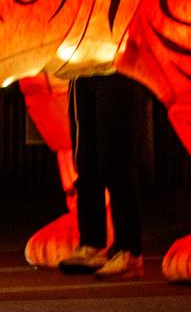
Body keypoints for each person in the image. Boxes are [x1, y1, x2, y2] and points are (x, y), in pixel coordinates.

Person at [58, 73, 148, 279]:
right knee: (86, 160)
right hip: (82, 65)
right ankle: (92, 245)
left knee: (116, 157)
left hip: (117, 65)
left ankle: (129, 252)